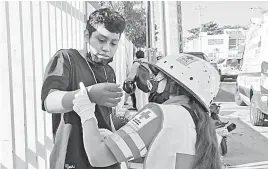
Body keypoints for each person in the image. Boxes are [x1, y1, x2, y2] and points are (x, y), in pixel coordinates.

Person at [73, 53, 222, 169]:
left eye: (160, 77)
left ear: (174, 84)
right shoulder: (204, 125)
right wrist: (117, 139)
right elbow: (161, 152)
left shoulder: (159, 114)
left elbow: (98, 156)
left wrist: (86, 111)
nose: (154, 81)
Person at [41, 8, 126, 169]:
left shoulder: (109, 71)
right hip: (73, 157)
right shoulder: (67, 59)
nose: (107, 48)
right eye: (101, 40)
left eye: (113, 43)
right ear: (87, 35)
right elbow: (49, 102)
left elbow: (106, 116)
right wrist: (88, 94)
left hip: (105, 157)